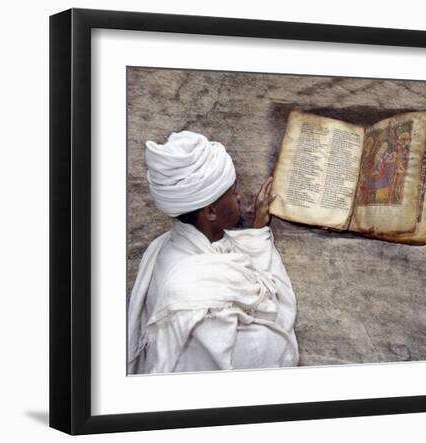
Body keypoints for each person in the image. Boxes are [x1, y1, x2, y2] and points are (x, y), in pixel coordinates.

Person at [127, 130, 299, 374]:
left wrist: (257, 228)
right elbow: (269, 352)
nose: (240, 196)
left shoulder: (167, 244)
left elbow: (222, 250)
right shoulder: (201, 308)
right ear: (211, 212)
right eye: (233, 190)